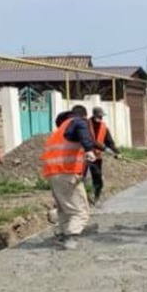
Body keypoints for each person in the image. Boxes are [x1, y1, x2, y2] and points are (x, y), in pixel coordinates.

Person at [41, 104, 97, 250]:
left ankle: (62, 234)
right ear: (84, 116)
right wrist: (89, 150)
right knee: (80, 211)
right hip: (66, 172)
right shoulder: (79, 122)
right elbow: (84, 134)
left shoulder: (61, 129)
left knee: (65, 208)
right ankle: (71, 237)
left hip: (53, 173)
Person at [86, 106, 121, 205]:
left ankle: (96, 197)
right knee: (83, 177)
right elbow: (90, 141)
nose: (100, 118)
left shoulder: (104, 127)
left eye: (101, 116)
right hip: (85, 155)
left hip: (97, 157)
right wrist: (104, 149)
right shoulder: (86, 126)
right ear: (94, 115)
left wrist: (117, 153)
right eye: (99, 116)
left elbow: (110, 142)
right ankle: (85, 198)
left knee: (98, 178)